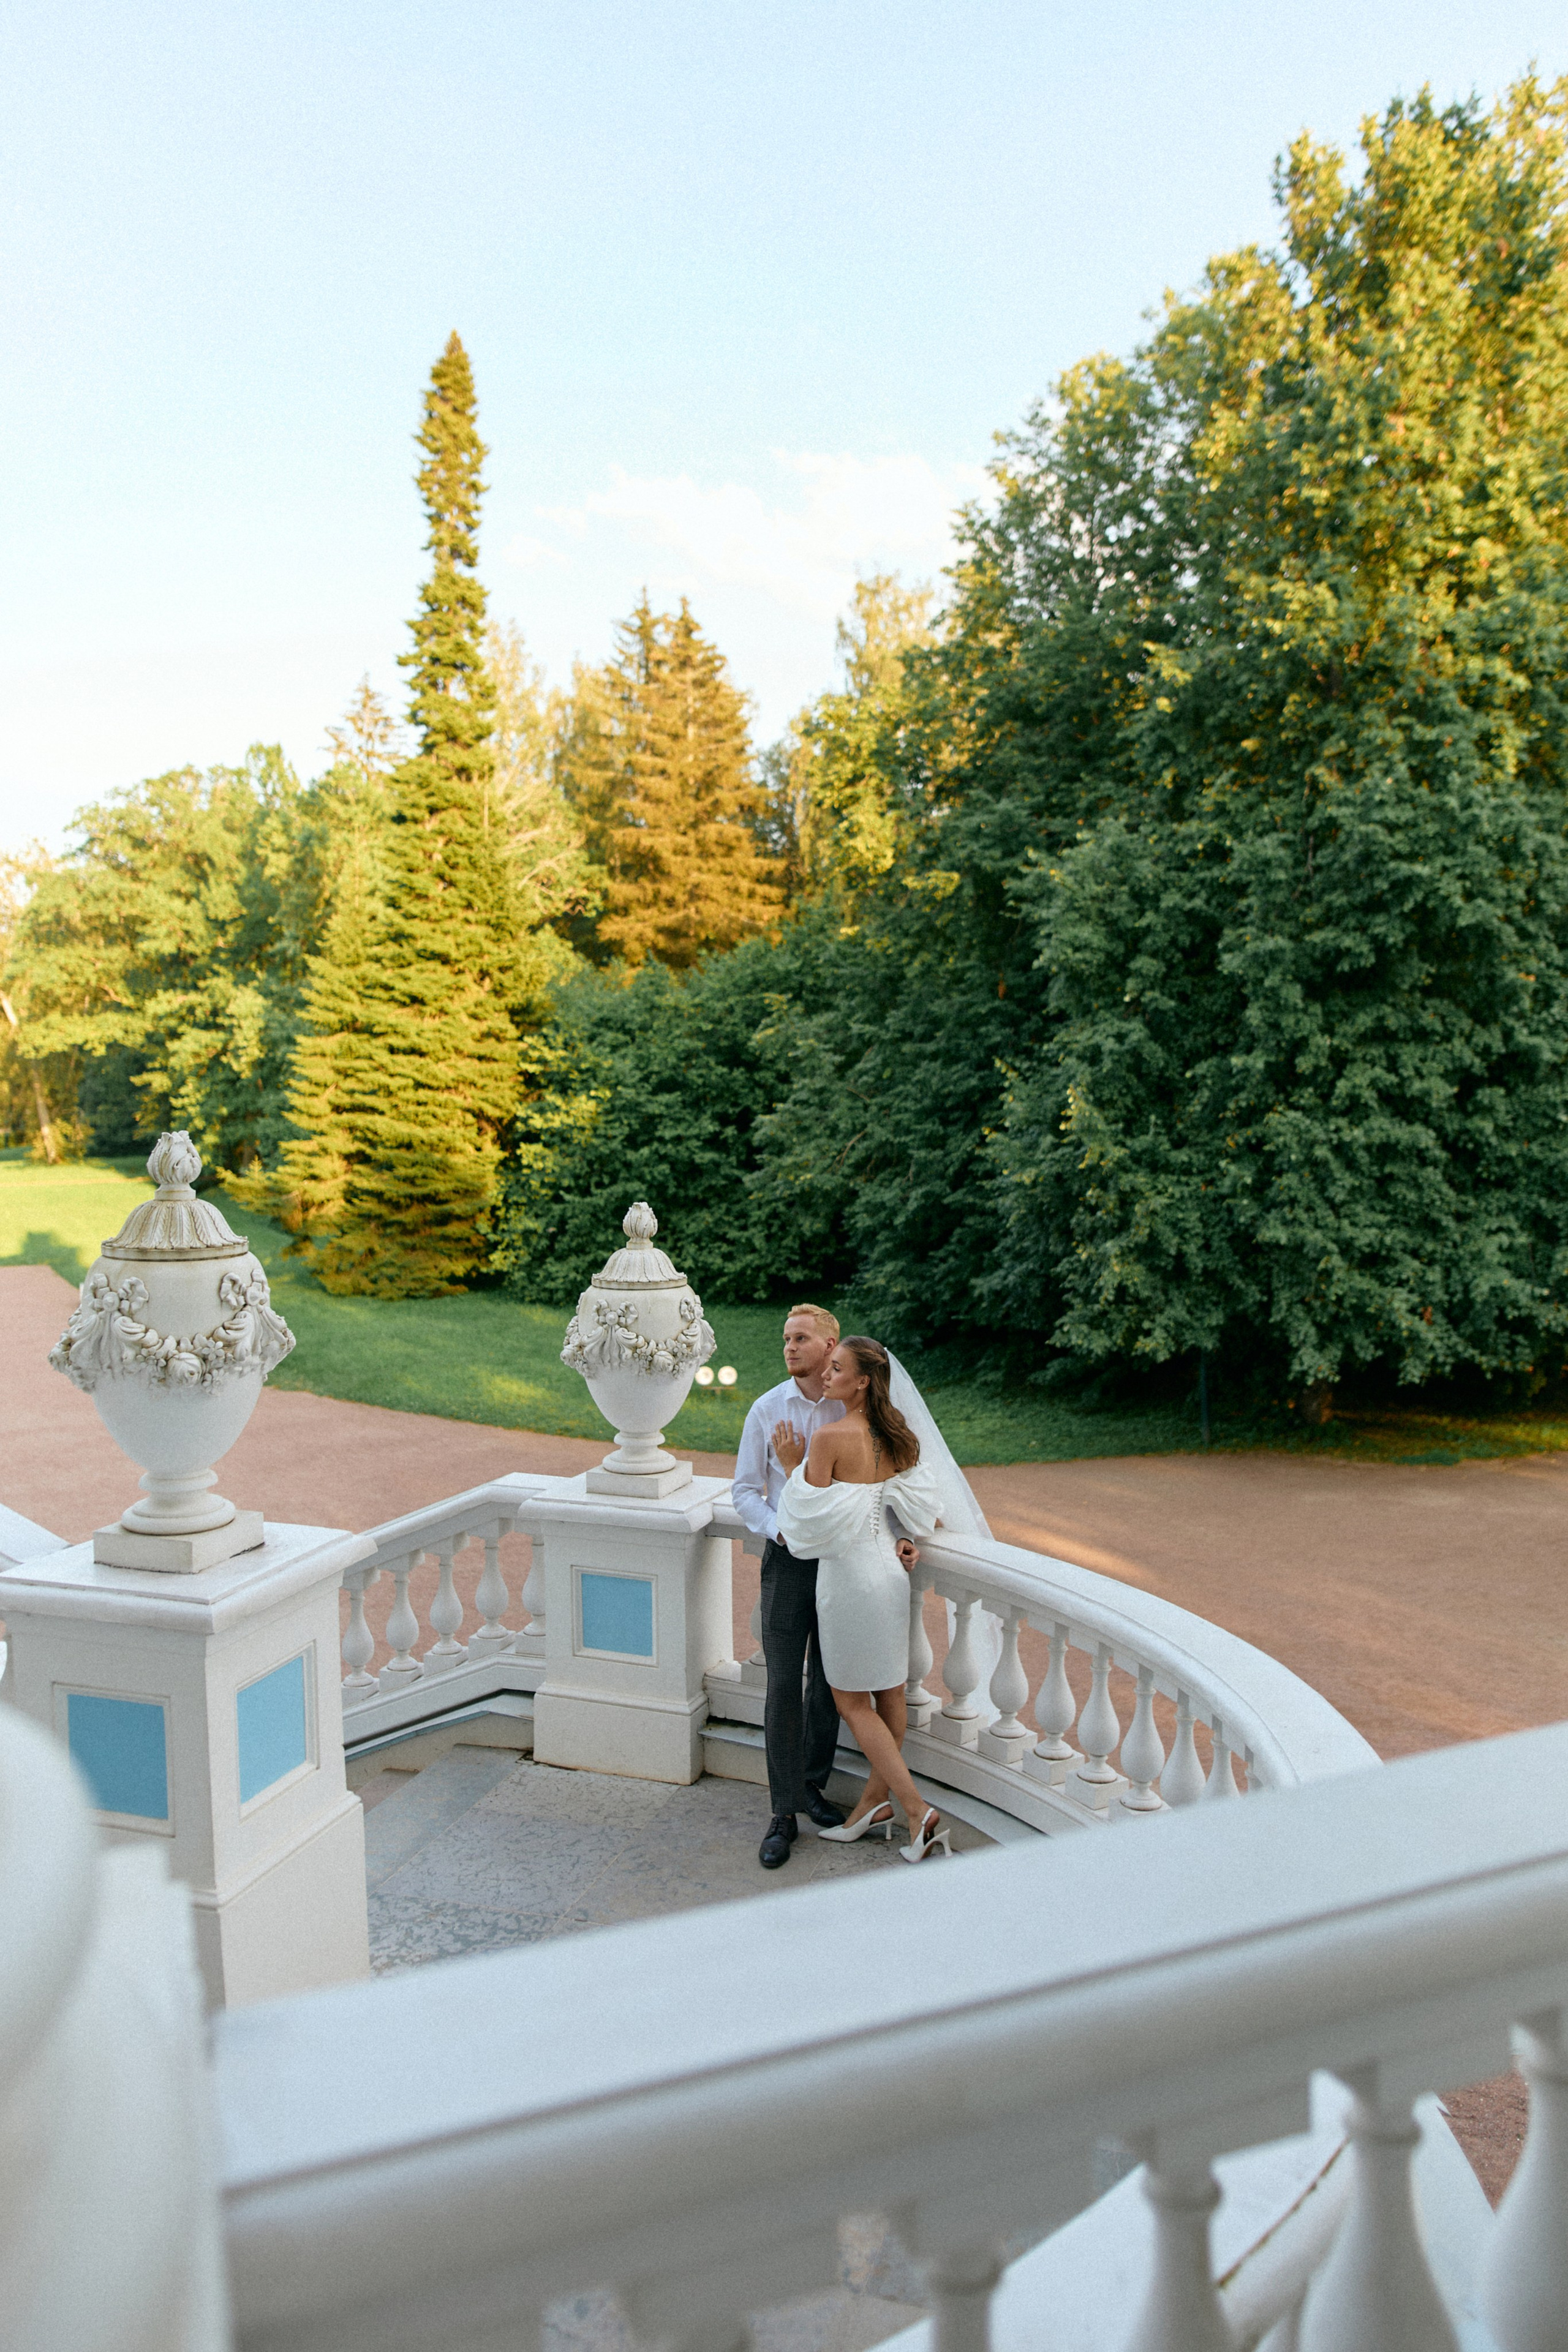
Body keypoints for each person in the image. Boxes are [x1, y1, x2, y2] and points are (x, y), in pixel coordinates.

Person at [775, 1335, 952, 1864]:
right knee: (890, 1695)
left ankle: (917, 1810)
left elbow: (807, 1523)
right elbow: (915, 1507)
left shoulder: (828, 1438)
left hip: (849, 1579)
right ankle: (874, 1805)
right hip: (890, 1576)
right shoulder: (900, 1437)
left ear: (863, 1381)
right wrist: (904, 1536)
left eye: (836, 1369)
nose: (826, 1376)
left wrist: (791, 1464)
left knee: (851, 1702)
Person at [732, 1304, 851, 1869]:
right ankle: (782, 1812)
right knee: (783, 1681)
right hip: (786, 1560)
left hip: (841, 1562)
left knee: (828, 1680)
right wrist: (782, 1529)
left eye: (801, 1338)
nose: (789, 1347)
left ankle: (810, 1787)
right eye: (786, 1338)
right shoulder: (767, 1408)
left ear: (831, 1345)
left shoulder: (852, 1406)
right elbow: (744, 1492)